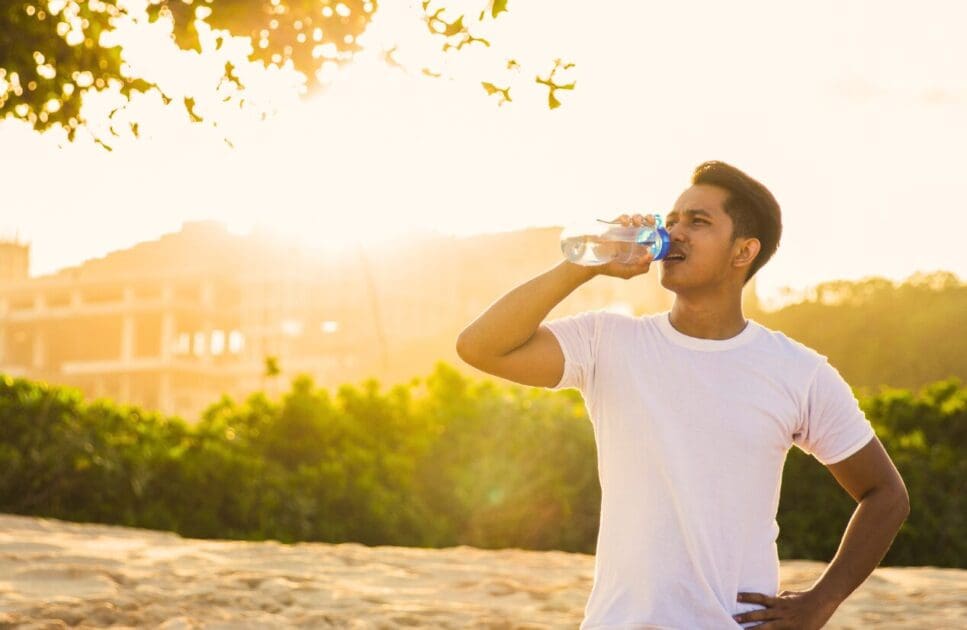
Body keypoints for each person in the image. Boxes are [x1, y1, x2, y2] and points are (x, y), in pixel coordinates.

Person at [455, 161, 910, 629]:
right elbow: (479, 347)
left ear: (743, 252)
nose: (675, 232)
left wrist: (820, 602)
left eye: (698, 222)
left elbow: (885, 494)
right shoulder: (607, 342)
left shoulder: (799, 372)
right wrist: (584, 265)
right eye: (671, 220)